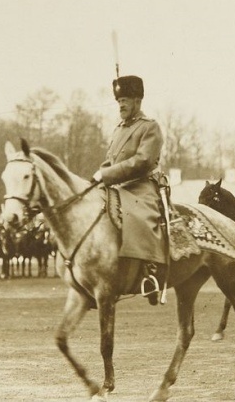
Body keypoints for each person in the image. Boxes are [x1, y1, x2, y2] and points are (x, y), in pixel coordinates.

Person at [92, 74, 166, 304]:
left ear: (137, 101)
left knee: (137, 215)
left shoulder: (150, 127)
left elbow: (143, 161)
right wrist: (95, 180)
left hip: (142, 186)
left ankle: (149, 275)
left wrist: (106, 175)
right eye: (118, 100)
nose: (121, 105)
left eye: (125, 100)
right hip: (118, 186)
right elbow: (110, 162)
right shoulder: (118, 130)